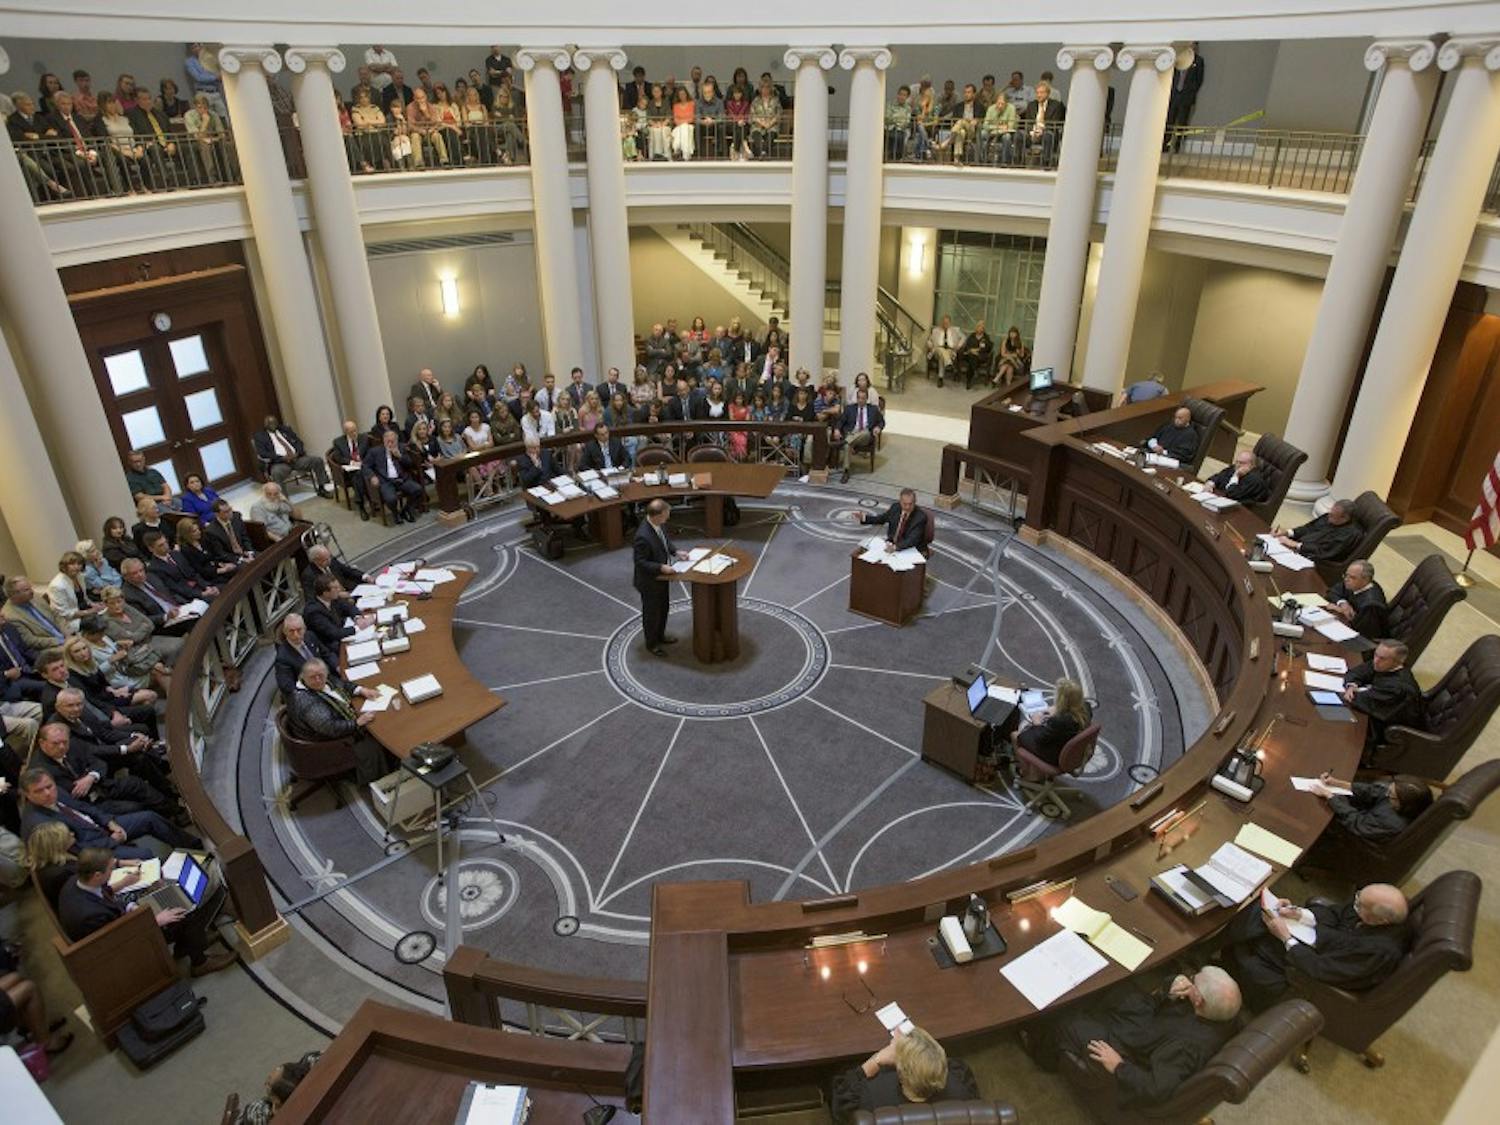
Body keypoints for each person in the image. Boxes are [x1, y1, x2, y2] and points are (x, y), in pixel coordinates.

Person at [1022, 969, 1241, 1110]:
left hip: (1131, 1053)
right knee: (1114, 981)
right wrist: (1169, 989)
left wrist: (1119, 1066)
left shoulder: (1185, 1050)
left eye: (1194, 980)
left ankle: (1040, 1049)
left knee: (1070, 1023)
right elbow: (1170, 1007)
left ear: (1199, 1001)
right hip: (1149, 1027)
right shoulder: (1223, 1010)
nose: (1190, 978)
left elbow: (1156, 1089)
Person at [1222, 883, 1410, 1011]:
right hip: (1318, 942)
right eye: (1357, 898)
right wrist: (1299, 914)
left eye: (1360, 905)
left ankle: (1213, 953)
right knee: (1261, 914)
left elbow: (1322, 969)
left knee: (1257, 928)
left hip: (1309, 971)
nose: (1355, 905)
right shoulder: (1368, 908)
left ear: (1380, 921)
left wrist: (1286, 938)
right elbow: (1336, 914)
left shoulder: (1378, 951)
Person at [59, 847, 235, 976]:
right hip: (124, 946)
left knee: (170, 899)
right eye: (110, 870)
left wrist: (129, 891)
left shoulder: (78, 880)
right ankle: (200, 963)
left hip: (124, 922)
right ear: (97, 875)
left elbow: (104, 896)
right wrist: (154, 921)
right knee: (184, 912)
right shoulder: (89, 915)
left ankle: (187, 945)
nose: (112, 873)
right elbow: (117, 937)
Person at [19, 769, 196, 860]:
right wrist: (112, 840)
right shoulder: (40, 826)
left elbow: (84, 807)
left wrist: (110, 822)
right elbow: (79, 850)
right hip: (97, 850)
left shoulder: (57, 791)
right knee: (145, 855)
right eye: (39, 791)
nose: (48, 793)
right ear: (27, 795)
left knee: (149, 817)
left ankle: (195, 847)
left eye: (49, 787)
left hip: (103, 828)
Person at [830, 1026, 979, 1121]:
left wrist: (875, 1060)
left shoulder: (871, 1097)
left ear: (900, 1073)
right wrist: (912, 1052)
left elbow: (840, 1101)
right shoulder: (961, 1090)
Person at [285, 659, 392, 786]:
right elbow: (332, 728)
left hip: (339, 720)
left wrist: (361, 690)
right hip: (328, 743)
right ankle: (376, 779)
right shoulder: (308, 704)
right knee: (373, 743)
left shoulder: (322, 681)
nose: (318, 680)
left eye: (321, 676)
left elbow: (341, 684)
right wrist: (357, 723)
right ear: (303, 677)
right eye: (313, 677)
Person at [1303, 772, 1434, 847]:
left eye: (1392, 796)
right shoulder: (1404, 800)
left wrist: (1330, 796)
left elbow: (1356, 823)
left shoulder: (1391, 823)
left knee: (1313, 808)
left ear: (1405, 804)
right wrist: (1336, 783)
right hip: (1366, 817)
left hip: (1356, 836)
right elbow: (1373, 792)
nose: (1387, 795)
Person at [1343, 639, 1424, 756]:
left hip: (1385, 730)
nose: (1376, 661)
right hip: (1376, 714)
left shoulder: (1398, 688)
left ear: (1398, 662)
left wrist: (1353, 693)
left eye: (1382, 658)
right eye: (1376, 655)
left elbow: (1361, 701)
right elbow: (1359, 672)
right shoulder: (1384, 664)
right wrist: (1351, 685)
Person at [634, 500, 690, 657]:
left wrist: (676, 552)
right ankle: (651, 644)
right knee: (651, 613)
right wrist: (660, 567)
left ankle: (660, 636)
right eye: (666, 515)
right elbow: (640, 562)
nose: (668, 518)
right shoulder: (642, 536)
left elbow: (664, 542)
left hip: (662, 578)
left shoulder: (659, 524)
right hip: (649, 581)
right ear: (657, 516)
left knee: (663, 608)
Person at [1010, 677, 1092, 772]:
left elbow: (1040, 738)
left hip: (1055, 754)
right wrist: (1058, 710)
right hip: (1072, 748)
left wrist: (1037, 723)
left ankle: (1026, 772)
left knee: (1016, 735)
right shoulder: (1086, 707)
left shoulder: (1059, 721)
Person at [252, 415, 333, 497]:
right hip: (280, 463)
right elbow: (263, 453)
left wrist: (297, 453)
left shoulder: (285, 430)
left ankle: (322, 488)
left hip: (297, 459)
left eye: (274, 423)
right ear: (265, 425)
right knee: (276, 472)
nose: (273, 425)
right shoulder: (260, 436)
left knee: (317, 460)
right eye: (270, 423)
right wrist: (282, 458)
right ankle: (284, 499)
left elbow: (299, 442)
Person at [234, 1051, 324, 1125]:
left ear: (276, 1100)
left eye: (268, 1083)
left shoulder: (258, 1113)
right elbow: (311, 1058)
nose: (265, 1083)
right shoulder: (311, 1071)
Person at [1272, 498, 1362, 562]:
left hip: (1312, 560)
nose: (1328, 516)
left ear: (1345, 518)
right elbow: (1308, 528)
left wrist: (1296, 545)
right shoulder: (1329, 517)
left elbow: (1323, 552)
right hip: (1297, 548)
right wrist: (1288, 533)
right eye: (1331, 512)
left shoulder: (1349, 534)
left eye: (1333, 515)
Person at [365, 430, 426, 523]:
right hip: (386, 481)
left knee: (418, 489)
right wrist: (372, 476)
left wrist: (400, 456)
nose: (390, 444)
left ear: (396, 441)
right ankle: (395, 513)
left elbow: (410, 464)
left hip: (402, 479)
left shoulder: (402, 448)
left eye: (392, 441)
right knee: (391, 499)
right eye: (388, 441)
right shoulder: (375, 451)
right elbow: (365, 466)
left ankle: (407, 509)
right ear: (384, 441)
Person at [1323, 560, 1388, 640]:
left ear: (1366, 580)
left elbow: (1362, 632)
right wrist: (1343, 603)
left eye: (1352, 577)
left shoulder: (1371, 605)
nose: (1346, 579)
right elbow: (1332, 592)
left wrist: (1341, 611)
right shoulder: (1354, 584)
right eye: (1346, 575)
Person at [304, 576, 374, 649]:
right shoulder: (314, 612)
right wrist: (361, 626)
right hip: (331, 647)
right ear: (325, 593)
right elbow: (334, 633)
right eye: (335, 588)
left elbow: (349, 607)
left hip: (342, 635)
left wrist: (358, 618)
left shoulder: (333, 598)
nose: (339, 590)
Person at [2, 576, 69, 650]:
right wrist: (61, 641)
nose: (32, 591)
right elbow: (30, 640)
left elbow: (56, 615)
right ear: (14, 594)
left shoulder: (35, 597)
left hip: (64, 636)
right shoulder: (10, 616)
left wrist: (67, 634)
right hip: (48, 647)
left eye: (30, 587)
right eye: (27, 590)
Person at [850, 488, 928, 552]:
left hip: (910, 549)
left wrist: (895, 547)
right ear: (900, 502)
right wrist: (864, 518)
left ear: (915, 502)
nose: (907, 507)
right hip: (891, 544)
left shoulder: (920, 517)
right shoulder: (895, 507)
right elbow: (882, 519)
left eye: (910, 504)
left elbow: (912, 539)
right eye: (905, 504)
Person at [834, 387, 885, 483]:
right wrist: (837, 429)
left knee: (865, 432)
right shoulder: (849, 408)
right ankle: (846, 471)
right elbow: (840, 421)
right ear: (857, 398)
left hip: (865, 436)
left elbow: (881, 422)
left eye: (863, 398)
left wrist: (878, 427)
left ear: (867, 399)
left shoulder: (873, 409)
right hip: (851, 433)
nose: (861, 400)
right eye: (859, 398)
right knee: (847, 446)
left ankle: (845, 441)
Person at [47, 550, 102, 632]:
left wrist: (94, 605)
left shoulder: (80, 576)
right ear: (64, 565)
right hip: (71, 620)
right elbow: (65, 614)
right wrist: (89, 612)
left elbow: (84, 598)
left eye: (79, 564)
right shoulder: (57, 585)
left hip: (84, 611)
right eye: (72, 564)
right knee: (102, 621)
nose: (76, 567)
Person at [1165, 43, 1205, 152]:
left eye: (1194, 46)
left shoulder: (1198, 61)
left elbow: (1198, 80)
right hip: (1174, 95)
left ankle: (1177, 146)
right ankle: (1165, 145)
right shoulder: (1179, 57)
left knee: (1182, 122)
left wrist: (1191, 91)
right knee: (1169, 121)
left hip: (1186, 96)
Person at [301, 545, 368, 603]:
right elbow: (312, 598)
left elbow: (347, 570)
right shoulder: (308, 575)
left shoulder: (330, 559)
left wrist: (365, 576)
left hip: (350, 590)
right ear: (316, 560)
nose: (329, 561)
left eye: (329, 557)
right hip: (335, 601)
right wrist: (336, 595)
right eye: (325, 560)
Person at [1202, 449, 1270, 504]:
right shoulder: (1235, 468)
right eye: (1237, 462)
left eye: (1242, 463)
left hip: (1241, 510)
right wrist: (1211, 483)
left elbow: (1231, 494)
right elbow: (1219, 476)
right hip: (1221, 499)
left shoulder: (1254, 480)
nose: (1237, 465)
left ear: (1252, 465)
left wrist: (1235, 476)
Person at [1023, 79, 1066, 166]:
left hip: (1047, 132)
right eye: (1037, 93)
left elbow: (1055, 122)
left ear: (1048, 93)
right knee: (1019, 135)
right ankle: (1018, 162)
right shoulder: (1031, 105)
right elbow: (1028, 122)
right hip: (1032, 133)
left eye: (1042, 93)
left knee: (1048, 135)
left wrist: (1042, 130)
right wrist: (1033, 131)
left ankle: (1046, 163)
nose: (1039, 95)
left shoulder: (1056, 105)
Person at [204, 499, 255, 567]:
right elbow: (221, 553)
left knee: (265, 558)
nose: (230, 513)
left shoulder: (237, 516)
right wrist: (241, 559)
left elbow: (244, 537)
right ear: (217, 514)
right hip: (231, 559)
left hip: (245, 552)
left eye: (230, 509)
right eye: (226, 512)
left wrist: (250, 552)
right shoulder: (211, 531)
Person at [927, 316, 963, 387]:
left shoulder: (955, 330)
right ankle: (948, 362)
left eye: (947, 323)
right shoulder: (935, 330)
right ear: (941, 323)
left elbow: (963, 338)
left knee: (942, 356)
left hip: (950, 350)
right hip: (937, 349)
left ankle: (940, 378)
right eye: (944, 322)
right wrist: (930, 345)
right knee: (940, 350)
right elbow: (929, 340)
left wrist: (958, 345)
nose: (945, 324)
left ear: (950, 323)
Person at [958, 322, 993, 388]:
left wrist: (977, 351)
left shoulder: (986, 337)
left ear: (983, 329)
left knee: (973, 358)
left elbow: (987, 348)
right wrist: (971, 350)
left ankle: (969, 380)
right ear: (976, 328)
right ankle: (974, 370)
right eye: (978, 327)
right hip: (970, 354)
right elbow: (967, 345)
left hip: (980, 356)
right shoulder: (972, 335)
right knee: (972, 357)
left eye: (981, 327)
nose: (980, 328)